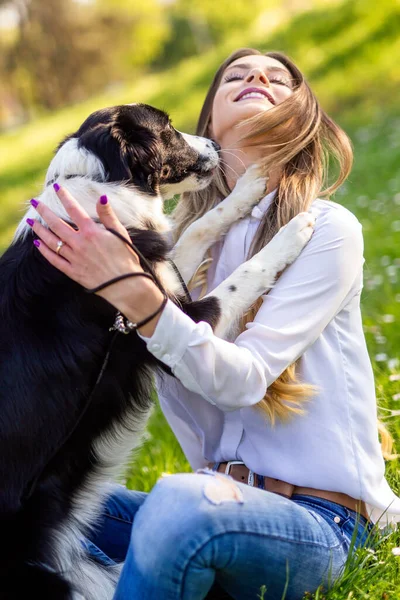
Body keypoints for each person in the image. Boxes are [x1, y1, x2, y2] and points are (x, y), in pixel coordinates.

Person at [28, 48, 400, 600]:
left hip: (318, 523)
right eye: (238, 75)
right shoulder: (172, 247)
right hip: (215, 500)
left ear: (300, 118)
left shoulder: (327, 229)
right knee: (30, 504)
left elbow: (244, 379)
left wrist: (139, 300)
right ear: (204, 127)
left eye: (279, 79)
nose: (257, 77)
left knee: (178, 506)